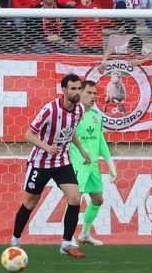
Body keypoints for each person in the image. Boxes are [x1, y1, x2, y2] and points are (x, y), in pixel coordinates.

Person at [8, 72, 88, 256]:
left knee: (75, 198)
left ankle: (66, 244)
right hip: (40, 163)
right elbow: (28, 134)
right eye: (73, 89)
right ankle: (15, 240)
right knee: (29, 203)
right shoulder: (50, 109)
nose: (77, 92)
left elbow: (70, 130)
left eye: (79, 89)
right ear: (64, 90)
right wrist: (47, 147)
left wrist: (82, 149)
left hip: (62, 161)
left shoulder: (79, 110)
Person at [69, 79, 117, 246]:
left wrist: (110, 163)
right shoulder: (73, 115)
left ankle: (84, 234)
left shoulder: (96, 116)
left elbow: (100, 140)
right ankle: (68, 238)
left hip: (93, 167)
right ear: (79, 93)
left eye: (95, 93)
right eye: (89, 93)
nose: (93, 96)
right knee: (74, 201)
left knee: (97, 200)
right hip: (78, 166)